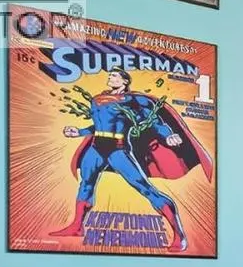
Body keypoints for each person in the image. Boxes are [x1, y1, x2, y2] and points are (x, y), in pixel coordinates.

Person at [51, 69, 192, 251]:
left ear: (125, 81)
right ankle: (77, 226)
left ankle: (179, 236)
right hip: (96, 148)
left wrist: (168, 135)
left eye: (115, 76)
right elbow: (99, 125)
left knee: (145, 188)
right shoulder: (97, 99)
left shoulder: (132, 100)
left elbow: (153, 121)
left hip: (117, 149)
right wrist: (80, 132)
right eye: (110, 75)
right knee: (86, 185)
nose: (110, 77)